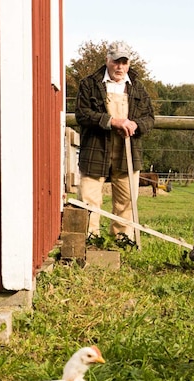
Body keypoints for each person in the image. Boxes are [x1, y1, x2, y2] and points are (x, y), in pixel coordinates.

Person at [74, 41, 154, 240]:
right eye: (116, 61)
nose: (120, 67)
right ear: (107, 60)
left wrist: (136, 125)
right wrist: (112, 121)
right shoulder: (89, 84)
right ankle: (89, 238)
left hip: (127, 150)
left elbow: (149, 118)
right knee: (88, 197)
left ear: (128, 64)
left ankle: (122, 238)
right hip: (95, 148)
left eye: (124, 62)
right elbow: (82, 114)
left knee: (126, 198)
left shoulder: (137, 87)